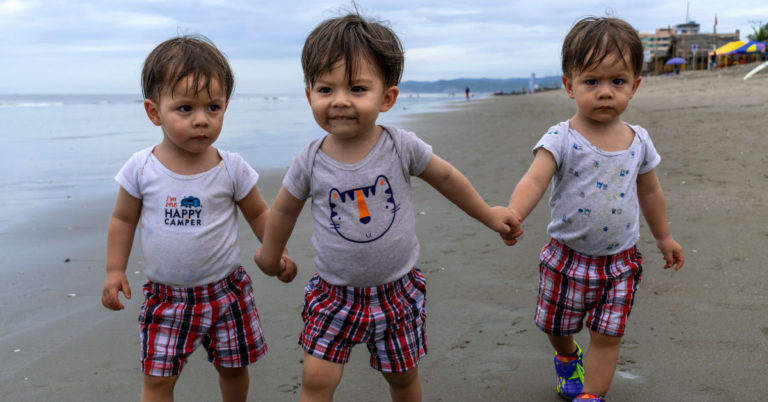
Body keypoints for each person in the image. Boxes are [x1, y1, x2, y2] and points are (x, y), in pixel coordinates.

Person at [254, 12, 520, 402]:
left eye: (357, 89)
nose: (340, 101)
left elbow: (446, 178)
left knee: (403, 378)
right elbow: (284, 211)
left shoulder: (400, 146)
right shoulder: (310, 161)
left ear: (387, 97)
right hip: (333, 296)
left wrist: (489, 215)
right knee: (316, 378)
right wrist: (270, 255)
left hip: (398, 293)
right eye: (326, 89)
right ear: (309, 93)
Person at [101, 35, 296, 402]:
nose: (202, 120)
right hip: (167, 299)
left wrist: (277, 251)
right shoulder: (141, 168)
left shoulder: (232, 167)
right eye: (186, 108)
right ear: (154, 111)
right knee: (158, 380)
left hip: (227, 292)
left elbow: (258, 212)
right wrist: (115, 270)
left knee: (234, 367)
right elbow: (123, 220)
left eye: (214, 107)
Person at [501, 17, 684, 402]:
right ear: (569, 86)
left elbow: (650, 192)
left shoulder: (639, 141)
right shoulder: (561, 137)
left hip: (620, 262)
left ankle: (592, 394)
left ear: (634, 86)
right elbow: (535, 179)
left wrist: (664, 236)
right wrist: (514, 213)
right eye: (591, 82)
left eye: (617, 81)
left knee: (607, 334)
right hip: (565, 257)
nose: (605, 92)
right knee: (554, 324)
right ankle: (567, 356)